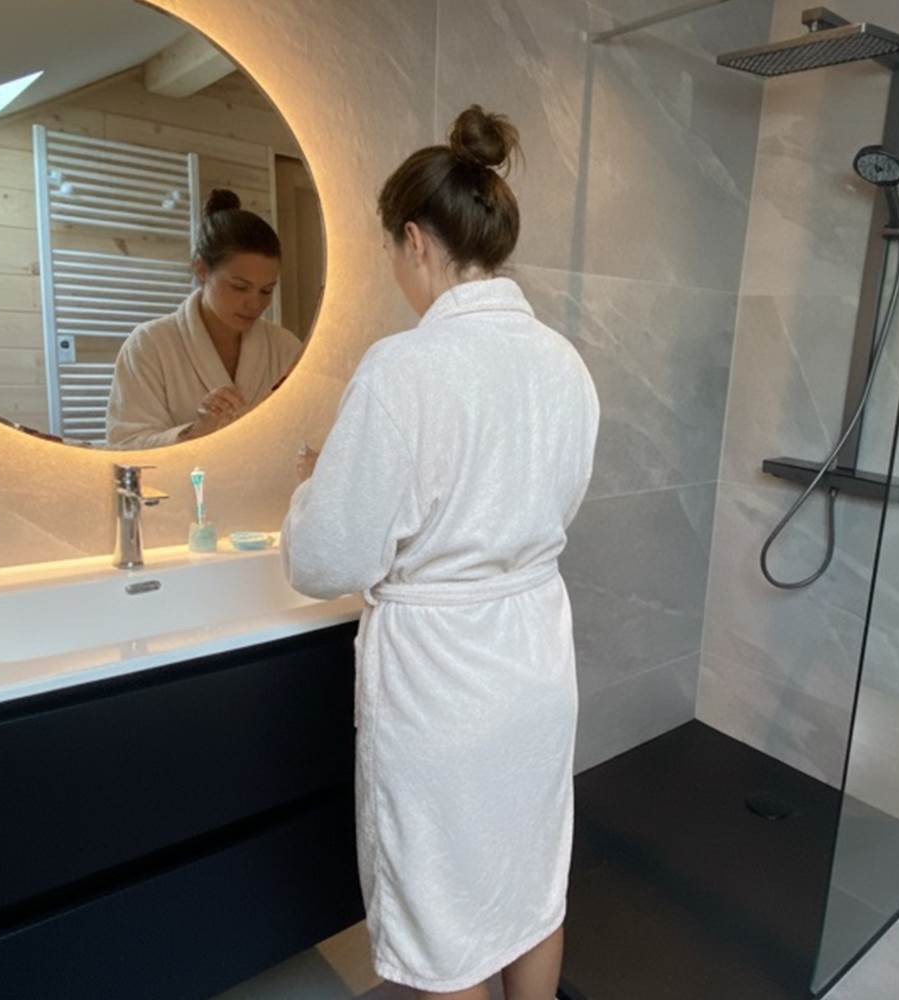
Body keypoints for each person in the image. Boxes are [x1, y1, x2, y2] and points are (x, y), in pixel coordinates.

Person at [281, 106, 599, 1000]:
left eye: (392, 251)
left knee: (444, 915)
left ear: (415, 241)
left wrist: (313, 488)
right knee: (531, 878)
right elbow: (552, 502)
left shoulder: (404, 367)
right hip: (536, 664)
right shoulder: (565, 363)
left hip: (443, 687)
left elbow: (327, 560)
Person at [103, 190, 303, 448]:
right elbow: (124, 444)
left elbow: (307, 428)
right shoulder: (150, 345)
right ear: (202, 270)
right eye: (240, 287)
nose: (255, 304)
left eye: (266, 291)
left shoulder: (284, 347)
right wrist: (194, 433)